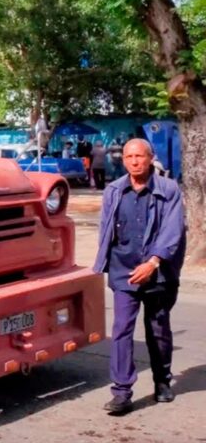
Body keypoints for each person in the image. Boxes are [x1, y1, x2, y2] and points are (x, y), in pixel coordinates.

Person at [94, 139, 185, 416]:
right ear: (123, 160)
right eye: (129, 156)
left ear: (150, 158)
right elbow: (105, 228)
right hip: (124, 271)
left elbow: (173, 230)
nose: (135, 161)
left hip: (158, 272)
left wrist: (154, 262)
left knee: (157, 328)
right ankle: (121, 392)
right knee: (121, 329)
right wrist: (104, 262)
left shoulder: (168, 189)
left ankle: (162, 381)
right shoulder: (114, 190)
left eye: (140, 156)